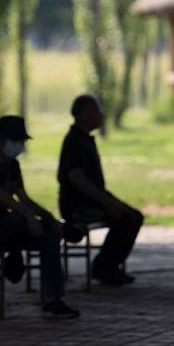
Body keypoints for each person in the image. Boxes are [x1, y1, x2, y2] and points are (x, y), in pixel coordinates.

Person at [0, 115, 80, 319]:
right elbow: (2, 197)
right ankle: (16, 253)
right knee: (18, 219)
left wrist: (49, 219)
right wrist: (29, 217)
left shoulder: (13, 166)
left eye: (21, 141)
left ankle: (53, 300)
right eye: (15, 140)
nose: (19, 145)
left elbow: (24, 199)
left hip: (6, 225)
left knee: (49, 235)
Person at [57, 94, 143, 286]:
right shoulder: (74, 142)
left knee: (134, 216)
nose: (101, 116)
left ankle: (109, 265)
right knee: (125, 219)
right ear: (84, 116)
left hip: (92, 199)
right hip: (79, 205)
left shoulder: (84, 140)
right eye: (97, 112)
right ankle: (104, 267)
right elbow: (78, 179)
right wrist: (107, 203)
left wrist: (110, 200)